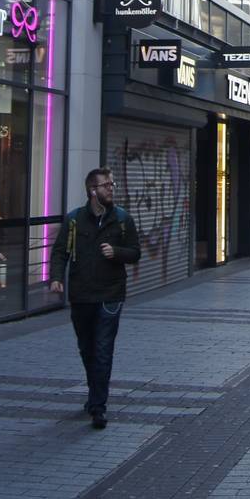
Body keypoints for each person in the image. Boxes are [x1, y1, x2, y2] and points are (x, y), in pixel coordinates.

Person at [49, 167, 141, 429]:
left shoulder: (123, 219)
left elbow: (135, 253)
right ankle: (94, 394)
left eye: (112, 184)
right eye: (106, 185)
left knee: (103, 350)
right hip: (81, 294)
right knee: (87, 348)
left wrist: (117, 252)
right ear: (92, 191)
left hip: (111, 294)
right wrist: (56, 278)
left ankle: (98, 406)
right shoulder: (75, 220)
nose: (111, 188)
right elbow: (59, 252)